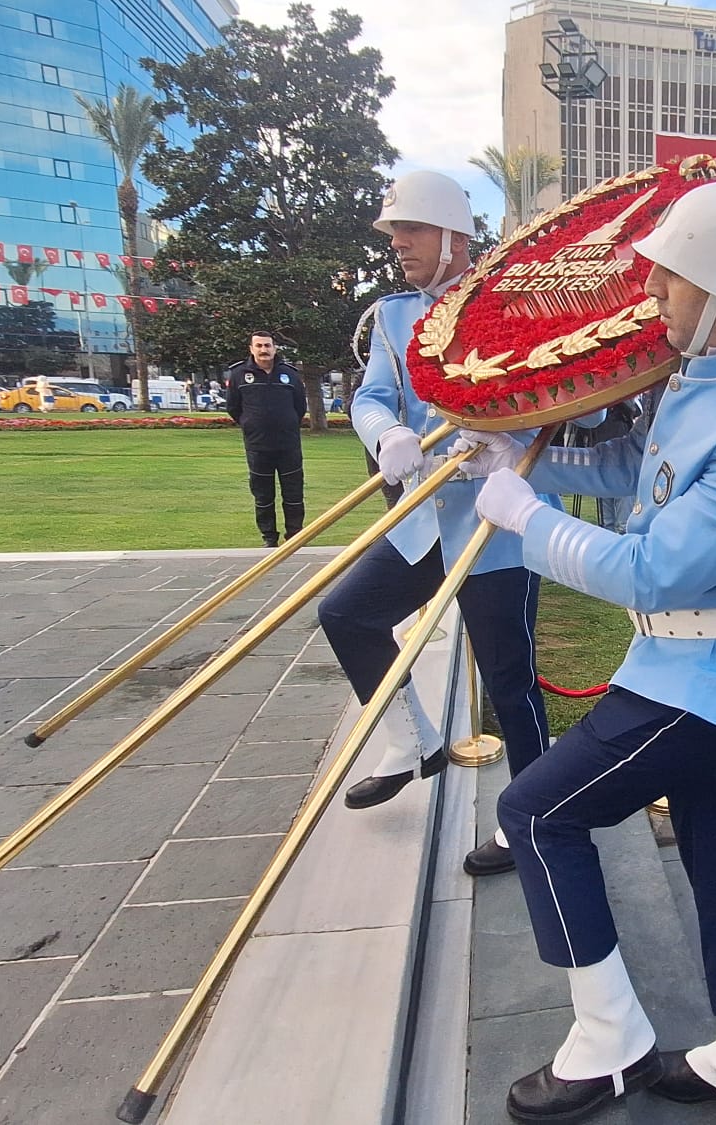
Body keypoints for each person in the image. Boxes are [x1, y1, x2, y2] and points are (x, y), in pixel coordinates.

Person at [456, 180, 716, 1122]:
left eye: (671, 275)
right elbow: (639, 468)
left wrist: (528, 518)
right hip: (687, 671)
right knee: (715, 847)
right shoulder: (713, 366)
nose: (652, 289)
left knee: (535, 813)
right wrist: (518, 458)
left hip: (707, 678)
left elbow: (654, 572)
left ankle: (609, 1036)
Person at [319, 171, 551, 884]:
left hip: (496, 524)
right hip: (424, 517)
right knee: (346, 613)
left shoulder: (511, 303)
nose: (398, 243)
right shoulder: (392, 318)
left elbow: (566, 396)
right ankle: (411, 742)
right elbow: (370, 397)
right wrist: (385, 430)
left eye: (411, 229)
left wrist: (515, 437)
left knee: (510, 682)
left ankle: (533, 818)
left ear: (453, 236)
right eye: (395, 231)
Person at [223, 331, 309, 547]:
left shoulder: (290, 374)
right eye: (259, 346)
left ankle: (295, 536)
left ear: (274, 348)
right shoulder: (239, 374)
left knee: (294, 494)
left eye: (267, 345)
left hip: (288, 445)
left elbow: (300, 406)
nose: (264, 350)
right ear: (251, 349)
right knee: (263, 496)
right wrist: (251, 424)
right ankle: (269, 538)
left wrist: (286, 423)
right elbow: (233, 407)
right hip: (258, 446)